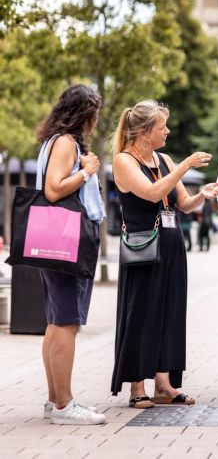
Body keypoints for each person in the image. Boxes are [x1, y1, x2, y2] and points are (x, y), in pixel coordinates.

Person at [111, 100, 218, 408]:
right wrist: (185, 165)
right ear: (145, 132)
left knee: (171, 312)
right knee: (141, 313)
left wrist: (203, 194)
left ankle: (164, 384)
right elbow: (151, 192)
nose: (168, 131)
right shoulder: (124, 161)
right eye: (163, 127)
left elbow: (182, 203)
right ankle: (137, 385)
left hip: (172, 245)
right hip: (143, 246)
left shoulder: (165, 159)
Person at [36, 84, 107, 425]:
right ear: (85, 115)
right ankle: (64, 405)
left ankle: (54, 401)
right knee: (66, 323)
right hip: (68, 240)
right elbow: (53, 190)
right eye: (94, 114)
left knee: (56, 322)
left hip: (56, 239)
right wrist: (86, 172)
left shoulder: (53, 141)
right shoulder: (66, 143)